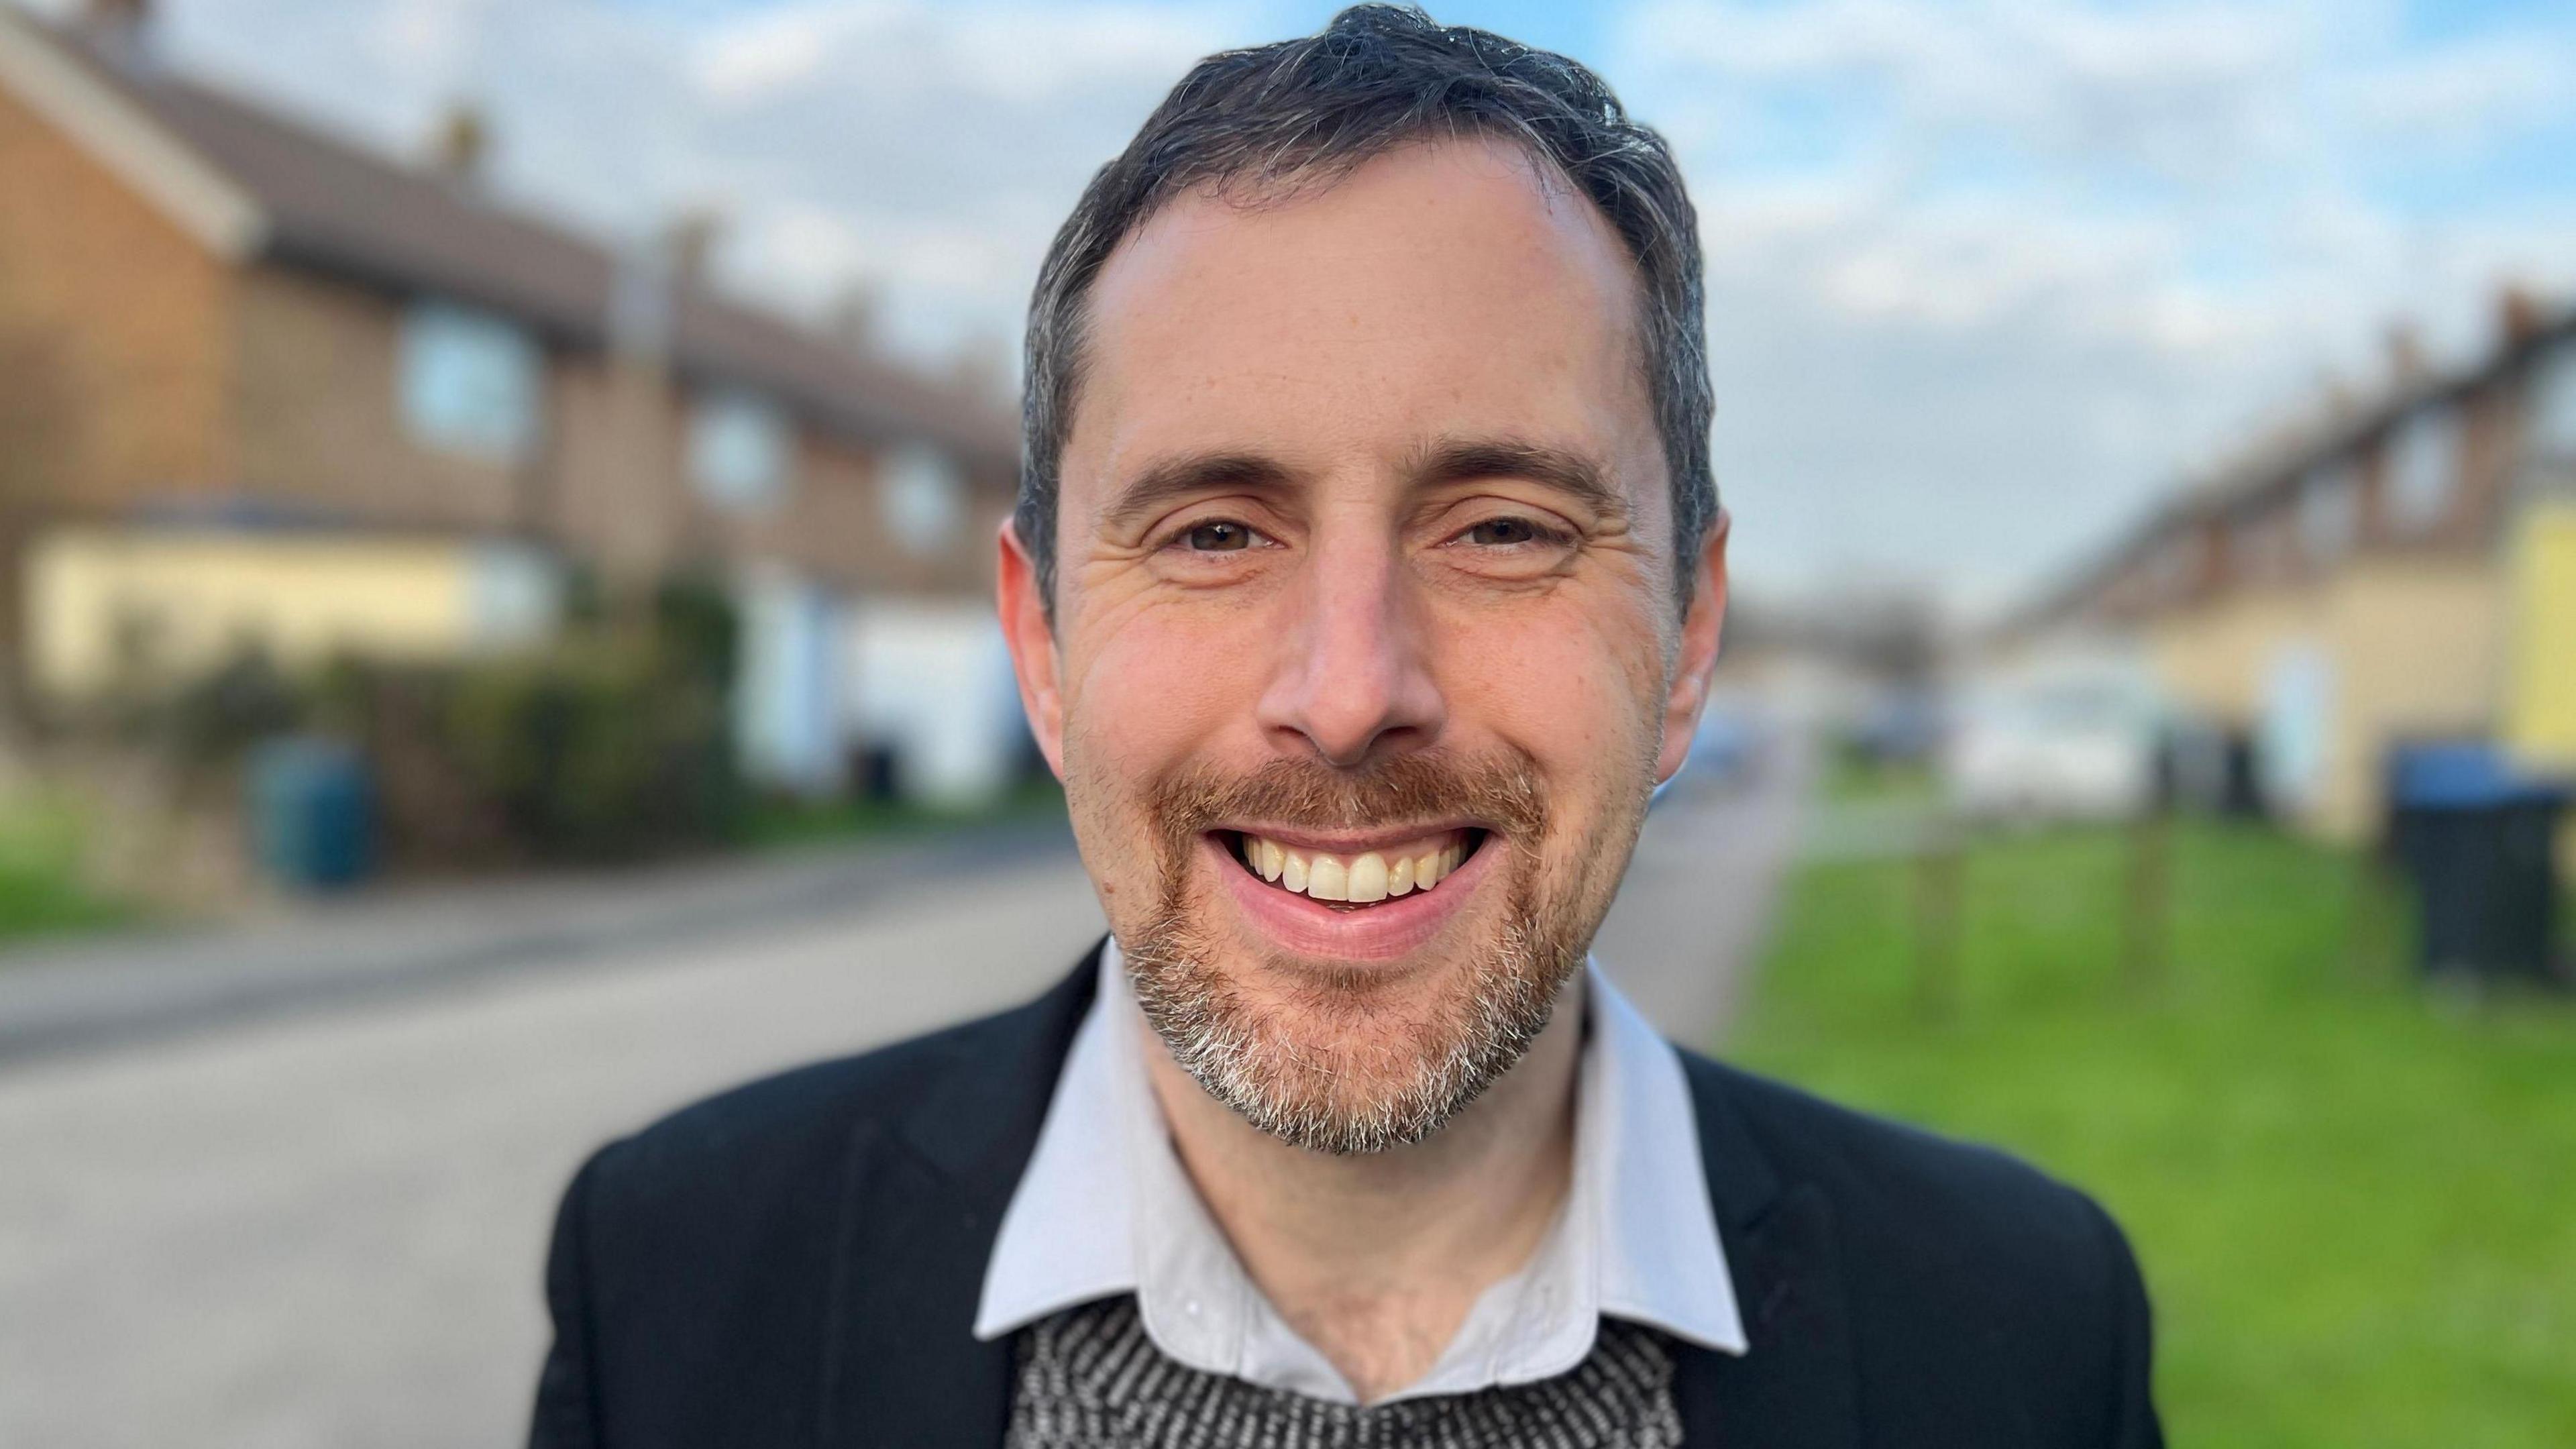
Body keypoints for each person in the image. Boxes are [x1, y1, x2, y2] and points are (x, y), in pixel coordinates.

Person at [527, 7, 2163, 1446]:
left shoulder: (2022, 1333)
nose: (1351, 689)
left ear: (1686, 638)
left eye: (1505, 528)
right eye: (1216, 533)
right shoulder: (671, 1278)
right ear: (1040, 642)